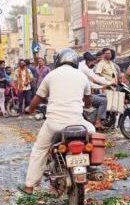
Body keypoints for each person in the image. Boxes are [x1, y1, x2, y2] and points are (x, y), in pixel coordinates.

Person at [20, 48, 96, 194]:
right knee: (92, 131)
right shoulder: (81, 75)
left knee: (40, 149)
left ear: (58, 61)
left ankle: (29, 185)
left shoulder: (51, 75)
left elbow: (38, 97)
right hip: (77, 123)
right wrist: (86, 105)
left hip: (54, 124)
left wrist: (29, 109)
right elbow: (88, 100)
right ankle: (91, 165)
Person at [79, 52, 112, 129]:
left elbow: (89, 82)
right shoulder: (84, 68)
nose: (94, 64)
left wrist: (101, 87)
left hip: (85, 91)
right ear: (88, 61)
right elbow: (95, 78)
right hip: (83, 95)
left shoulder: (83, 65)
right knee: (104, 101)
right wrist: (110, 83)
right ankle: (98, 121)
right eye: (93, 63)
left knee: (103, 96)